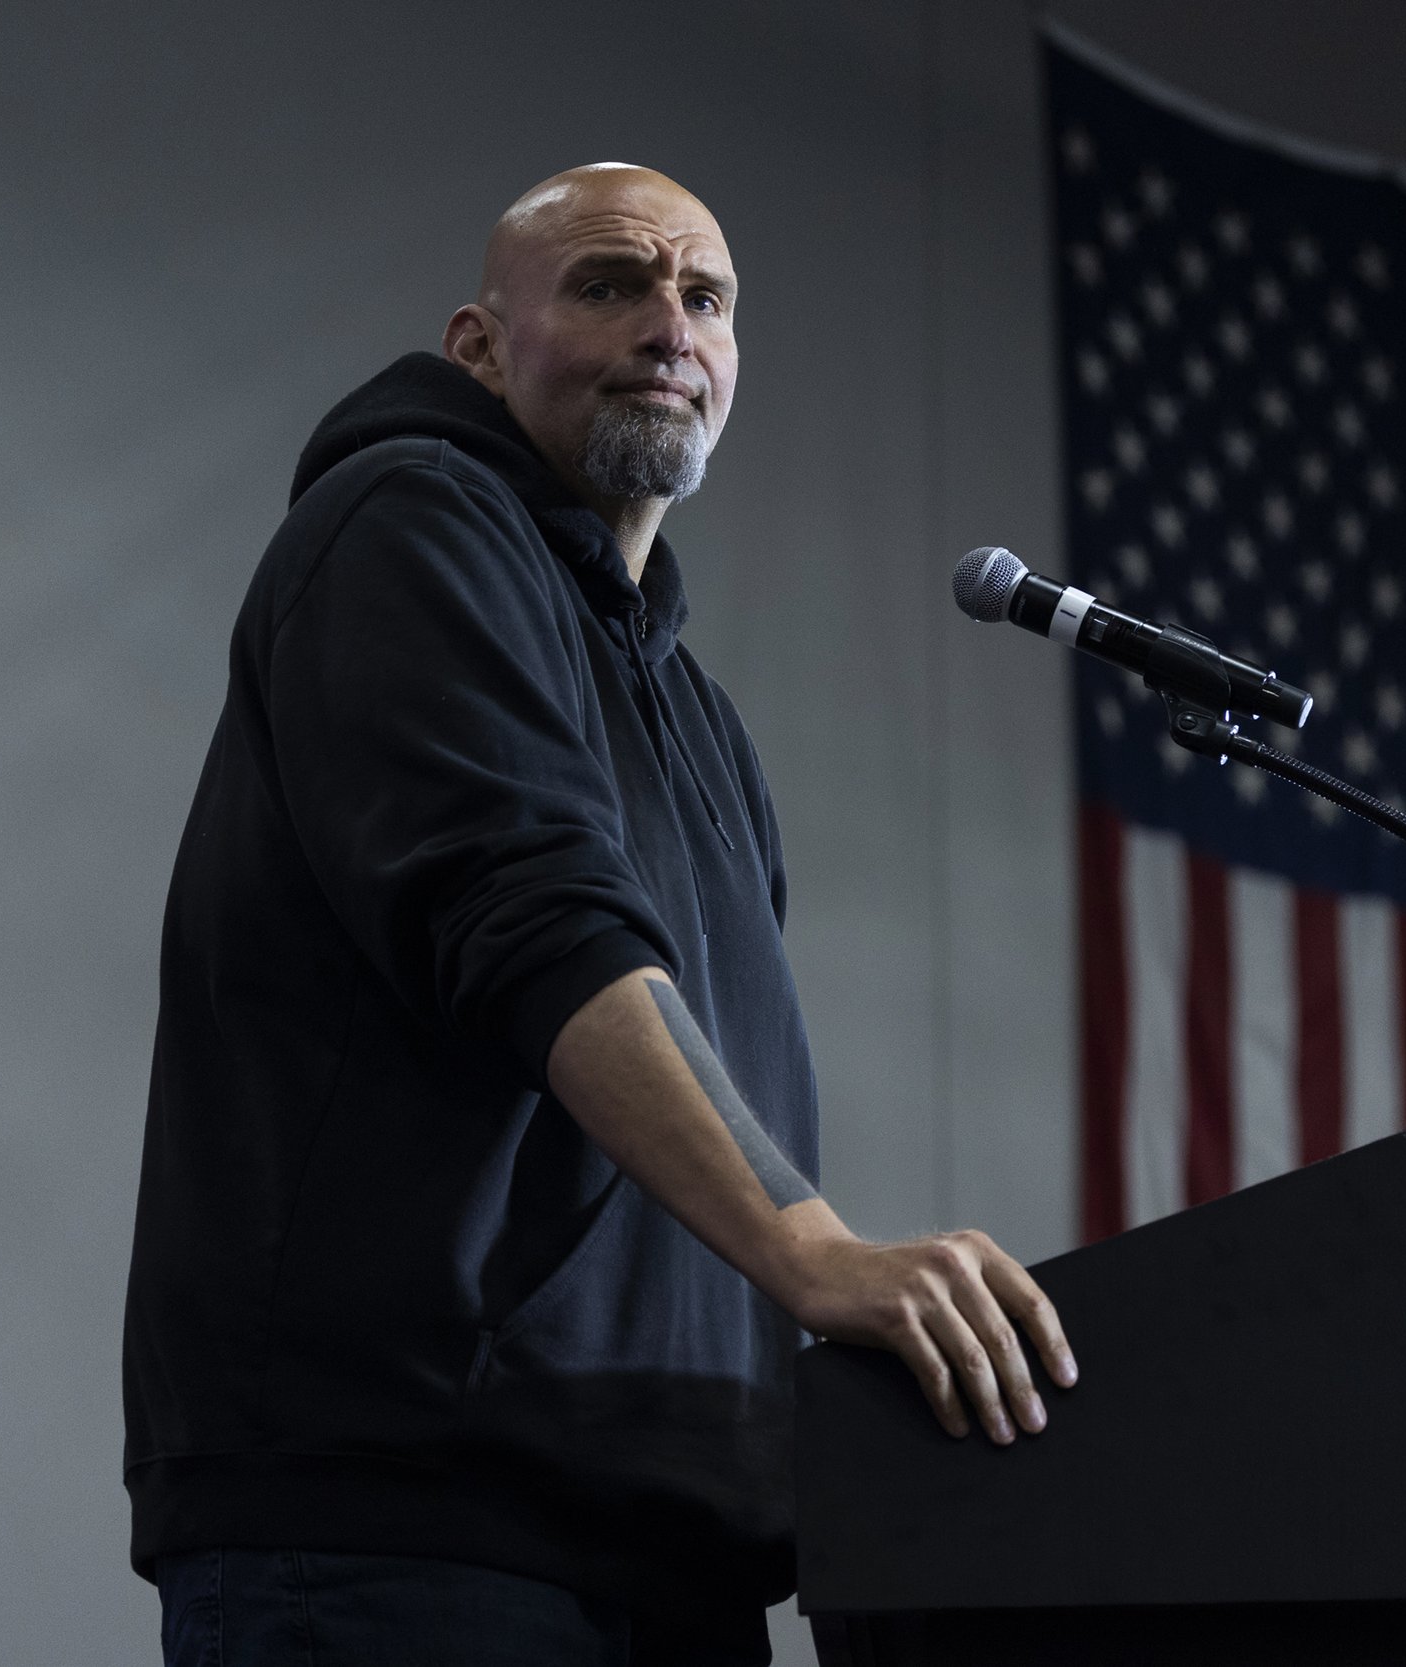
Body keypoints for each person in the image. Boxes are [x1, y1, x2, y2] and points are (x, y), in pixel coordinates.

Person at [121, 163, 1078, 1666]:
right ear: (480, 347)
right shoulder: (404, 525)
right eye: (608, 285)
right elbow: (527, 911)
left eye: (706, 297)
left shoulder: (700, 724)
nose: (667, 326)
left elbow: (714, 1087)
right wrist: (815, 1250)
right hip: (407, 1539)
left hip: (672, 1558)